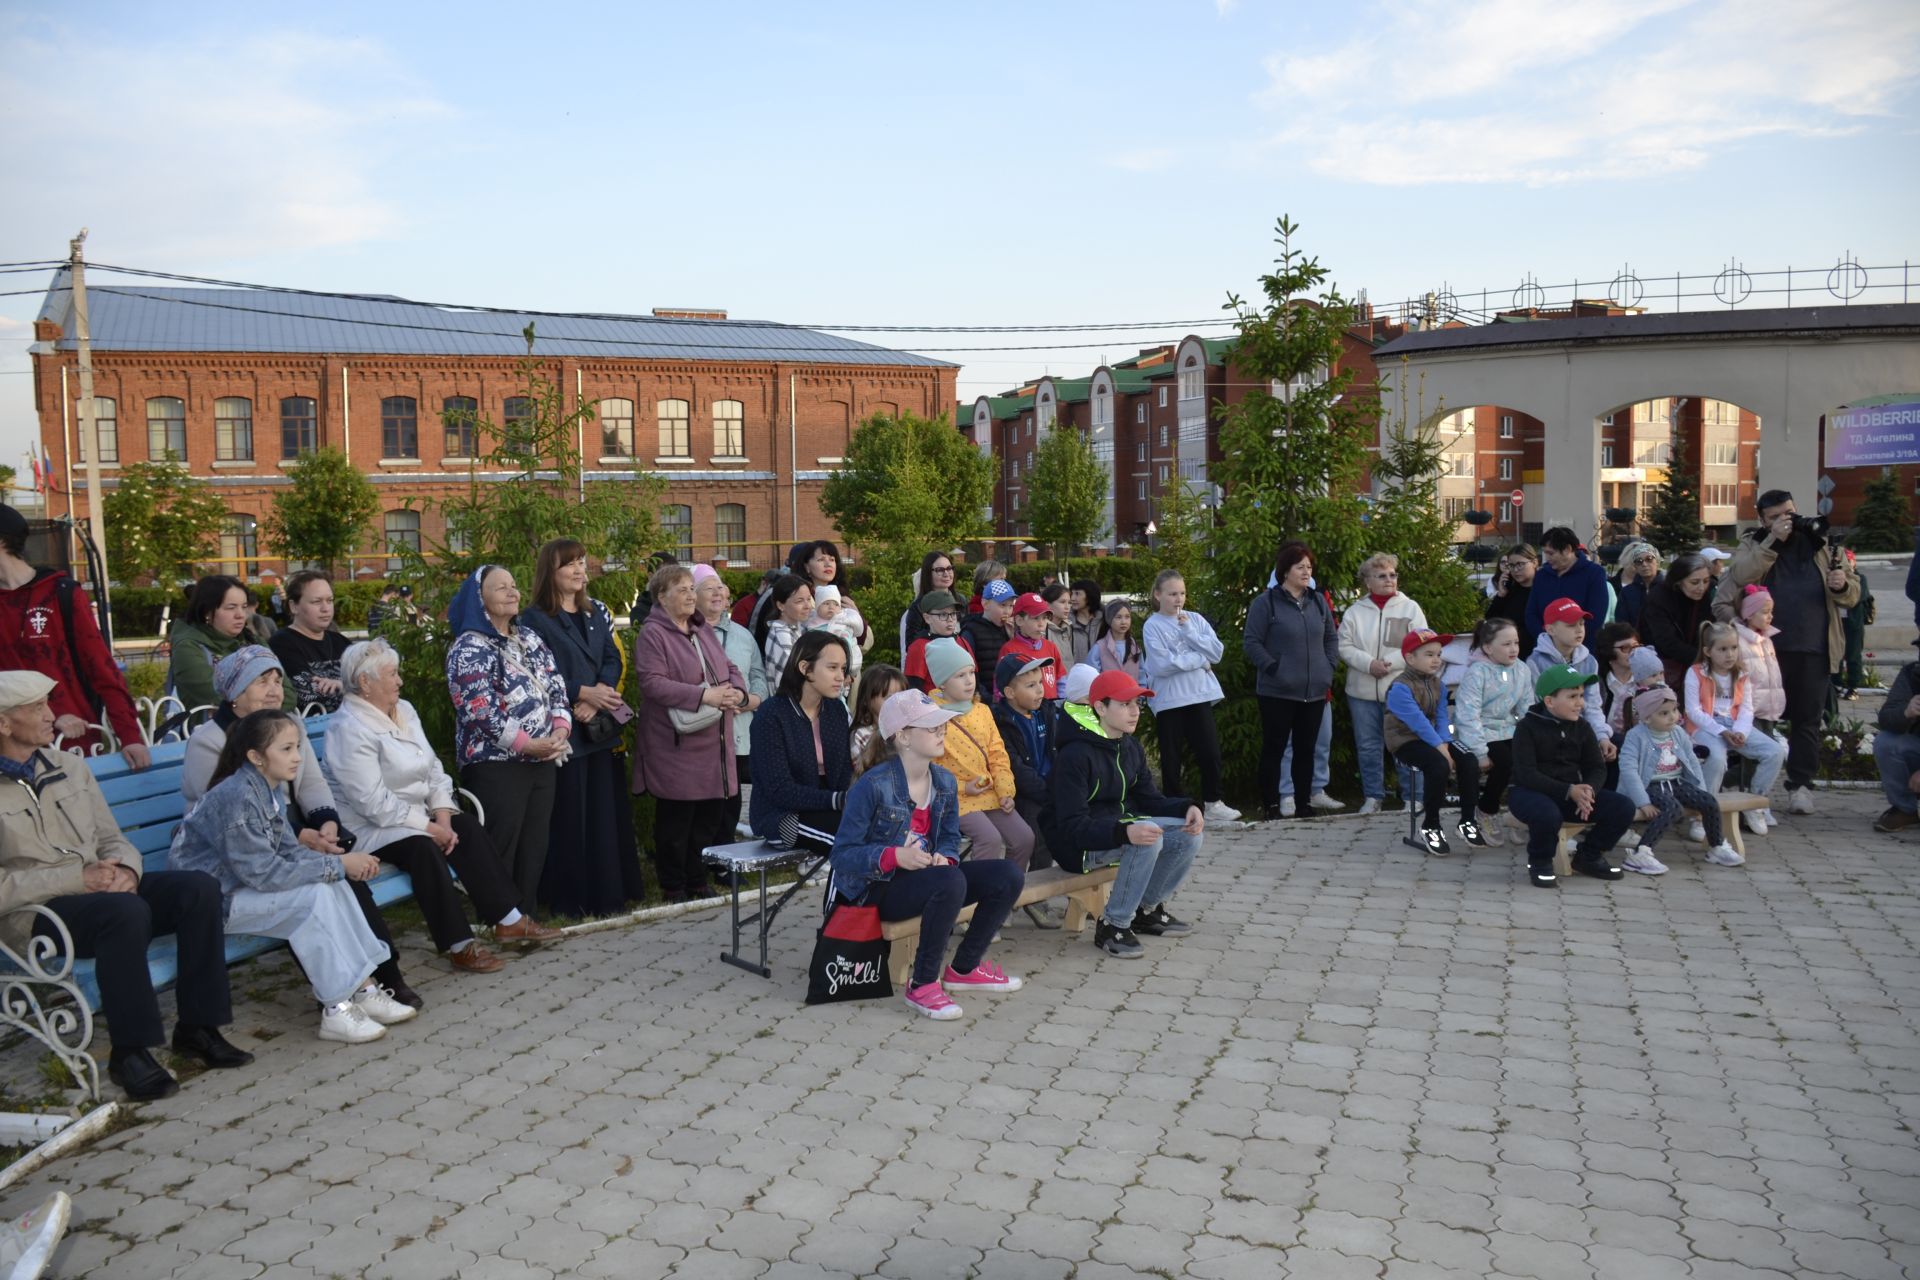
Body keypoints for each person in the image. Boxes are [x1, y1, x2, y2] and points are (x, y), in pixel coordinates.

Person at [0, 671, 246, 1100]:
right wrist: (78, 878)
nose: (51, 715)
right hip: (35, 915)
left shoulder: (69, 767)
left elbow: (112, 838)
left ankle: (197, 1028)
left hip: (100, 889)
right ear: (4, 723)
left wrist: (128, 871)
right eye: (37, 707)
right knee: (125, 913)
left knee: (198, 889)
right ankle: (129, 1052)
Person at [180, 646, 423, 1002]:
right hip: (238, 862)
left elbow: (310, 783)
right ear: (234, 693)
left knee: (341, 877)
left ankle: (376, 979)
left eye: (278, 680)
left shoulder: (285, 725)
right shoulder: (211, 744)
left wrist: (326, 823)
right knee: (327, 884)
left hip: (286, 838)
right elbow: (235, 825)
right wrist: (307, 843)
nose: (274, 689)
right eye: (262, 682)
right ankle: (358, 990)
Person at [173, 709, 415, 1044]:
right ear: (256, 756)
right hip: (216, 902)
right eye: (286, 749)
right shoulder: (237, 796)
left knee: (331, 885)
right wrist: (338, 865)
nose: (298, 758)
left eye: (297, 747)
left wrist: (337, 864)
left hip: (245, 887)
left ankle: (364, 989)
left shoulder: (265, 787)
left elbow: (288, 850)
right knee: (312, 899)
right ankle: (337, 1010)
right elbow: (263, 873)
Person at [325, 638, 561, 972]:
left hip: (417, 816)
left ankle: (509, 919)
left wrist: (443, 815)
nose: (399, 681)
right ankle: (459, 944)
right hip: (371, 828)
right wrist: (429, 828)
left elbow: (433, 768)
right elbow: (373, 803)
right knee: (423, 849)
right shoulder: (347, 728)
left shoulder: (403, 710)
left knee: (466, 828)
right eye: (392, 675)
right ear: (365, 683)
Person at [828, 689, 1025, 1021]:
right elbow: (843, 856)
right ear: (903, 737)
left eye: (942, 726)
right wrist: (893, 856)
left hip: (922, 879)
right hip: (875, 888)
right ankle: (921, 984)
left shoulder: (944, 782)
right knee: (948, 882)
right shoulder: (873, 785)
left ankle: (963, 969)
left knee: (1007, 875)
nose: (941, 732)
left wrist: (944, 858)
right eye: (931, 727)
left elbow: (948, 841)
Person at [1710, 490, 1859, 816]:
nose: (1785, 520)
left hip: (1813, 647)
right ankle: (1749, 788)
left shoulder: (1820, 543)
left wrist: (1842, 586)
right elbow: (1741, 575)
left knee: (1807, 720)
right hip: (1762, 650)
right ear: (1763, 519)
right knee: (1757, 720)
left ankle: (1800, 786)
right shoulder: (1755, 542)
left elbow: (1851, 593)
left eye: (1789, 513)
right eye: (1776, 516)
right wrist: (1773, 541)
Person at [517, 539, 645, 917]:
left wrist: (597, 696)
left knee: (603, 816)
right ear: (550, 573)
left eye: (581, 563)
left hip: (598, 728)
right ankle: (570, 899)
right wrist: (580, 695)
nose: (579, 570)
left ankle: (607, 895)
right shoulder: (534, 619)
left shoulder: (594, 613)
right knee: (571, 818)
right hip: (564, 733)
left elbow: (611, 656)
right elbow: (539, 672)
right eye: (569, 564)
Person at [1045, 669, 1204, 959]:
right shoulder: (1074, 755)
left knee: (1187, 835)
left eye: (1137, 704)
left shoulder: (1128, 746)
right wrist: (1124, 832)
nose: (1134, 712)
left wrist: (1187, 807)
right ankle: (1113, 925)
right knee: (1146, 838)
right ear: (1100, 708)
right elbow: (1071, 826)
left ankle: (1144, 910)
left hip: (1115, 831)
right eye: (1125, 704)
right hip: (1077, 847)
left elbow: (1149, 799)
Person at [446, 565, 571, 908]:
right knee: (502, 846)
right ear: (479, 599)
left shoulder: (529, 637)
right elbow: (479, 710)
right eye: (501, 588)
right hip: (496, 765)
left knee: (534, 845)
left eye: (514, 586)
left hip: (544, 758)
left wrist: (560, 731)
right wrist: (528, 744)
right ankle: (500, 918)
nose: (513, 592)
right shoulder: (469, 648)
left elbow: (556, 685)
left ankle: (526, 915)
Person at [633, 562, 748, 903]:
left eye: (689, 588)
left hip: (715, 741)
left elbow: (729, 667)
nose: (688, 595)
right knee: (677, 821)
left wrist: (737, 692)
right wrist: (704, 694)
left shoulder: (701, 629)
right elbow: (652, 683)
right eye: (680, 589)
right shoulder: (653, 633)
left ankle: (698, 879)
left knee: (708, 817)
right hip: (676, 745)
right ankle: (673, 885)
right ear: (661, 596)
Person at [0, 504, 148, 765]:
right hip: (10, 750)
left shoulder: (61, 593)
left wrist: (130, 736)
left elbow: (102, 669)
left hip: (72, 745)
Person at [1508, 664, 1632, 888]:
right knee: (1547, 814)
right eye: (1573, 696)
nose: (1580, 703)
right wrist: (1569, 791)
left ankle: (1589, 856)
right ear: (1549, 701)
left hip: (1571, 793)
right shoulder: (1526, 728)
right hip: (1529, 793)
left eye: (1582, 696)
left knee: (1623, 807)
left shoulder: (1582, 726)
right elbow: (1527, 774)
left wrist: (1588, 791)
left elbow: (1597, 767)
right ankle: (1540, 862)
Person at [1244, 541, 1339, 821]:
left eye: (1309, 567)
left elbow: (1331, 638)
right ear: (1285, 571)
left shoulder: (1318, 601)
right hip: (1277, 692)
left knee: (1305, 751)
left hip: (1313, 691)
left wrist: (1327, 668)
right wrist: (1274, 669)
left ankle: (1303, 804)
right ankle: (1272, 804)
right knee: (1274, 749)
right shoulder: (1266, 603)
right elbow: (1251, 642)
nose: (1306, 571)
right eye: (1300, 567)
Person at [923, 638, 1035, 867]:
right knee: (989, 839)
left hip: (989, 790)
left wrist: (1005, 789)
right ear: (942, 683)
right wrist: (964, 787)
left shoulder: (982, 710)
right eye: (959, 675)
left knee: (1024, 838)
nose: (969, 681)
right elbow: (928, 768)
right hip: (955, 797)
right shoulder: (930, 717)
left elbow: (997, 753)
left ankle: (1007, 891)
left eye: (971, 673)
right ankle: (976, 896)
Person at [1141, 570, 1239, 824]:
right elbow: (1162, 665)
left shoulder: (1194, 619)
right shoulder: (1152, 625)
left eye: (1182, 593)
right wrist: (1198, 659)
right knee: (1171, 756)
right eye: (1172, 594)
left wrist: (1191, 635)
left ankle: (1213, 802)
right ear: (1158, 595)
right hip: (1170, 699)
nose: (1178, 599)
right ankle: (1174, 806)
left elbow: (1216, 652)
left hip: (1198, 695)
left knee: (1209, 751)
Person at [1338, 553, 1430, 817]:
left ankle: (1414, 798)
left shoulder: (1410, 608)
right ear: (1368, 581)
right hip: (1362, 691)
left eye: (1393, 575)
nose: (1389, 580)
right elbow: (1344, 645)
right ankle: (1373, 797)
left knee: (1406, 744)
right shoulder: (1355, 612)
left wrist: (1387, 663)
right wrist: (1369, 664)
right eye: (1382, 576)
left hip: (1400, 689)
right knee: (1368, 746)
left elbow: (1420, 643)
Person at [1618, 684, 1744, 872]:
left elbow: (1692, 761)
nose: (1672, 716)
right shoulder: (1636, 736)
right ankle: (1640, 853)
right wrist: (1642, 802)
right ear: (1646, 717)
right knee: (1672, 808)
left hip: (1676, 783)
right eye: (1664, 713)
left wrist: (1699, 788)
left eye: (1675, 710)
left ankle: (1716, 846)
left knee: (1708, 801)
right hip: (1649, 786)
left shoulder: (1677, 732)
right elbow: (1629, 770)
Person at [749, 629, 852, 856]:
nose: (840, 677)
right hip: (782, 817)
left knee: (876, 831)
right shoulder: (771, 715)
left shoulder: (835, 710)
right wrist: (837, 800)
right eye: (832, 667)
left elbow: (845, 771)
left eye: (843, 669)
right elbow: (779, 790)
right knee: (853, 844)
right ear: (805, 668)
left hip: (828, 810)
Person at [1385, 629, 1483, 855]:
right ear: (1410, 658)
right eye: (1429, 654)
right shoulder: (1399, 688)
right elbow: (1418, 723)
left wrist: (1446, 744)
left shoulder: (1438, 684)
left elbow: (1441, 717)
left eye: (1438, 654)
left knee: (1468, 759)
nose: (1436, 660)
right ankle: (1431, 825)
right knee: (1438, 765)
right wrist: (1443, 752)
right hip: (1405, 740)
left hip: (1435, 738)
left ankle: (1467, 820)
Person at [1684, 620, 1785, 834]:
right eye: (1722, 649)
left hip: (1734, 724)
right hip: (1706, 727)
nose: (1730, 654)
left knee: (1775, 751)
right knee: (1717, 758)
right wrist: (1722, 732)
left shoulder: (1741, 674)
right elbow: (1693, 711)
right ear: (1708, 651)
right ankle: (1702, 814)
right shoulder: (1695, 672)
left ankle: (1754, 804)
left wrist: (1740, 731)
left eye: (1734, 648)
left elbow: (1747, 709)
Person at [697, 566, 767, 836]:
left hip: (738, 728)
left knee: (732, 793)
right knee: (706, 797)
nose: (717, 592)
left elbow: (758, 675)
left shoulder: (743, 635)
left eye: (720, 586)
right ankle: (704, 855)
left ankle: (724, 858)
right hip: (703, 728)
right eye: (708, 587)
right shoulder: (685, 634)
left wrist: (751, 699)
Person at [169, 575, 297, 715]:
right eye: (231, 608)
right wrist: (266, 707)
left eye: (244, 607)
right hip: (214, 733)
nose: (240, 615)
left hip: (268, 729)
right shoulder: (188, 647)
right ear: (207, 611)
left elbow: (289, 695)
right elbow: (218, 697)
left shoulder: (254, 641)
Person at [1453, 617, 1529, 850]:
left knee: (1528, 761)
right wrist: (1480, 751)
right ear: (1487, 647)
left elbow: (1526, 708)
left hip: (1509, 728)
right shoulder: (1477, 673)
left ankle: (1520, 815)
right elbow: (1467, 715)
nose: (1513, 649)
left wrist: (1533, 739)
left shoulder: (1522, 669)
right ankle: (1486, 810)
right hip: (1482, 730)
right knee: (1504, 763)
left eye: (1515, 642)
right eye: (1506, 644)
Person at [993, 653, 1060, 884]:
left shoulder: (1047, 712)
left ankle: (1035, 893)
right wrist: (1047, 792)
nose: (1040, 690)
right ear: (1010, 693)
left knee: (1054, 837)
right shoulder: (1002, 721)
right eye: (1031, 685)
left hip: (1050, 787)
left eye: (1041, 683)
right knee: (1035, 836)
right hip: (1022, 792)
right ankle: (1014, 889)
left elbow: (1058, 751)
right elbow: (1015, 767)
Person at [1527, 598, 1613, 759]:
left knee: (1615, 751)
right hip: (1551, 736)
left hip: (1584, 731)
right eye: (1571, 625)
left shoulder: (1589, 661)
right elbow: (1537, 707)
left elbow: (1593, 706)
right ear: (1550, 629)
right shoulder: (1535, 662)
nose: (1579, 630)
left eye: (1581, 624)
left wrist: (1602, 736)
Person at [267, 570, 352, 714]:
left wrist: (341, 686)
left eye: (329, 600)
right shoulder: (281, 644)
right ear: (294, 606)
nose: (326, 609)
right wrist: (351, 688)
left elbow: (372, 683)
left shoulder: (340, 641)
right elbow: (308, 695)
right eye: (316, 602)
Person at [1640, 553, 1714, 688]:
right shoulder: (1659, 597)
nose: (1701, 587)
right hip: (1664, 666)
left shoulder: (1704, 597)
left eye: (1706, 581)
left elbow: (1707, 627)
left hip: (1697, 663)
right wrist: (1702, 659)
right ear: (1679, 581)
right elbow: (1666, 641)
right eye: (1694, 582)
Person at [1525, 527, 1611, 640]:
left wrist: (1570, 639)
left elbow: (1596, 615)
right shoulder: (1542, 575)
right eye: (1545, 553)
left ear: (1567, 549)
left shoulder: (1594, 573)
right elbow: (1531, 613)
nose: (1547, 558)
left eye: (1551, 553)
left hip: (1582, 648)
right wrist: (1546, 638)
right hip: (1546, 647)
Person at [1871, 640, 1920, 833]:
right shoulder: (1911, 674)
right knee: (1886, 742)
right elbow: (1886, 717)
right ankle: (1904, 810)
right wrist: (1905, 712)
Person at [903, 590, 971, 693]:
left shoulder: (962, 642)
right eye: (943, 615)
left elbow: (975, 678)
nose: (950, 619)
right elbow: (914, 690)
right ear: (927, 618)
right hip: (933, 706)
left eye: (953, 614)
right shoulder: (919, 647)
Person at [756, 573, 815, 693]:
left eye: (809, 599)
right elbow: (794, 677)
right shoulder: (781, 635)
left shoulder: (799, 626)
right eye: (799, 601)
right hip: (790, 704)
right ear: (781, 605)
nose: (807, 606)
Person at [1002, 593, 1066, 701]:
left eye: (1045, 618)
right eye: (1036, 618)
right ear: (1019, 620)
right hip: (1025, 712)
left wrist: (1061, 703)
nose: (1041, 624)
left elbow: (1061, 679)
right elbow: (1002, 687)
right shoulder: (1009, 650)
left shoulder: (1051, 647)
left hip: (1052, 709)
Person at [961, 579, 1016, 698]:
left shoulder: (1009, 630)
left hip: (1009, 697)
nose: (1008, 611)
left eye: (1011, 606)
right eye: (1002, 605)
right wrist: (986, 698)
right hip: (984, 699)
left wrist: (1014, 639)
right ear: (985, 604)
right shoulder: (971, 631)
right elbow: (967, 668)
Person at [1485, 544, 1540, 659]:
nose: (1515, 570)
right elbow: (1491, 620)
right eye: (1511, 565)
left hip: (1537, 653)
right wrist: (1501, 595)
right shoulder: (1510, 591)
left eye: (1520, 564)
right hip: (1510, 656)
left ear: (1534, 562)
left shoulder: (1543, 590)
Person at [899, 551, 961, 653]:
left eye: (949, 568)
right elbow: (911, 646)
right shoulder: (918, 607)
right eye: (940, 570)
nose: (946, 574)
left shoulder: (960, 600)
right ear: (928, 574)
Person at [849, 664, 906, 773]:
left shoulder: (908, 729)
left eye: (901, 697)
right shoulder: (862, 735)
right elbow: (865, 774)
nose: (896, 703)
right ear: (867, 700)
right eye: (889, 698)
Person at [807, 585, 865, 687]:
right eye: (826, 603)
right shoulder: (811, 623)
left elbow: (851, 640)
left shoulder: (842, 622)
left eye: (836, 604)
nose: (831, 607)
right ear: (817, 607)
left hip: (846, 661)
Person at [1835, 547, 1872, 701]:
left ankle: (1853, 686)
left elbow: (1859, 597)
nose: (1847, 565)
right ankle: (1836, 684)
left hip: (1853, 624)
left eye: (1849, 562)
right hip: (1836, 623)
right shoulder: (1832, 577)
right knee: (1835, 654)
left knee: (1853, 655)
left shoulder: (1859, 578)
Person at [1612, 541, 1662, 630]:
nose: (1644, 564)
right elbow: (1622, 623)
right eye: (1639, 561)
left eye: (1649, 559)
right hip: (1636, 642)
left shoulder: (1669, 588)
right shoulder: (1627, 592)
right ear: (1635, 566)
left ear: (1657, 561)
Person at [1091, 599, 1139, 677]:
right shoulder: (1099, 647)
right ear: (1109, 619)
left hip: (1133, 689)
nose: (1123, 622)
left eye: (1127, 617)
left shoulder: (1135, 647)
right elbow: (1091, 676)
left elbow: (1142, 675)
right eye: (1118, 617)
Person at [1067, 579, 1103, 668]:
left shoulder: (1104, 621)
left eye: (1077, 594)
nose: (1072, 598)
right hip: (1074, 675)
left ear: (1090, 595)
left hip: (1099, 676)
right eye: (1072, 594)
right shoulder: (1066, 622)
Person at [1041, 583, 1074, 660]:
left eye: (1069, 603)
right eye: (1062, 602)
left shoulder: (1069, 627)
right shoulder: (1041, 629)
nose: (1067, 607)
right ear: (1047, 604)